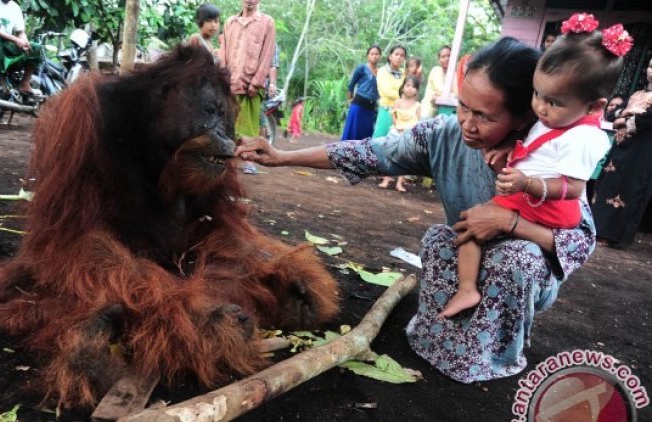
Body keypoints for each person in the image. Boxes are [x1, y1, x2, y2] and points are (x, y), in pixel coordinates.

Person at [236, 37, 596, 384]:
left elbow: (581, 240)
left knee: (517, 258)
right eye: (463, 107)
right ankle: (439, 338)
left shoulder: (552, 154)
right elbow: (370, 152)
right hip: (467, 257)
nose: (467, 124)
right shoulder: (444, 135)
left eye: (485, 116)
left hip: (523, 271)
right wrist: (281, 157)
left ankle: (496, 354)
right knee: (440, 238)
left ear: (521, 117)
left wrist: (510, 221)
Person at [439, 14, 627, 318]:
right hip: (522, 199)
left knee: (503, 249)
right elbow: (533, 146)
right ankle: (467, 289)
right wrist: (507, 148)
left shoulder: (582, 137)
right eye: (536, 94)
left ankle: (479, 302)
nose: (539, 107)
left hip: (544, 208)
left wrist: (527, 184)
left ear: (594, 107)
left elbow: (574, 188)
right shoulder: (552, 117)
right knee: (469, 226)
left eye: (552, 101)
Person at [592, 57, 652, 248]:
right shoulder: (637, 93)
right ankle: (596, 228)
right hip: (621, 145)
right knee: (608, 183)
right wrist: (624, 115)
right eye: (651, 65)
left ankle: (614, 235)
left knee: (630, 188)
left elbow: (646, 121)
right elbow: (617, 110)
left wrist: (626, 119)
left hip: (641, 152)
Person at [219, 0, 275, 139]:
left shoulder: (267, 22)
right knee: (224, 134)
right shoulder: (230, 22)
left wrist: (256, 83)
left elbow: (267, 54)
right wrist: (222, 81)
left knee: (245, 139)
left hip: (250, 90)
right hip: (229, 88)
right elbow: (223, 53)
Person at [0, 0, 42, 96]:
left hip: (7, 43)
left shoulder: (15, 7)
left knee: (35, 47)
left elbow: (21, 32)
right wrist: (14, 39)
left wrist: (24, 41)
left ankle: (25, 84)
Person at [374, 45, 406, 191]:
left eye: (402, 55)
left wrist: (399, 93)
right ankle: (376, 169)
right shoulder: (382, 71)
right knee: (380, 139)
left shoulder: (404, 73)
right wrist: (399, 93)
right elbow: (384, 91)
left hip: (401, 112)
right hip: (386, 109)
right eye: (396, 54)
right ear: (390, 56)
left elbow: (406, 92)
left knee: (396, 143)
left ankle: (388, 173)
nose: (399, 57)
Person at [384, 76, 421, 192]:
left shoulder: (417, 105)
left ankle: (400, 183)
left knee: (404, 158)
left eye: (414, 87)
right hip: (396, 131)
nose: (410, 89)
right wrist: (397, 126)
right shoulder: (397, 102)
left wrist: (411, 132)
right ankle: (386, 179)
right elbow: (393, 115)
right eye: (408, 85)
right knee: (389, 154)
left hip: (409, 134)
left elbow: (418, 122)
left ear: (417, 91)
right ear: (403, 87)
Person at [340, 45, 380, 141]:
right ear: (368, 56)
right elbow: (351, 84)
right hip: (359, 104)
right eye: (372, 54)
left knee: (366, 133)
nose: (374, 56)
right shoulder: (362, 68)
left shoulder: (381, 72)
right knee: (353, 131)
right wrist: (350, 99)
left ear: (380, 56)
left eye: (377, 54)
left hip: (371, 107)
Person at [420, 45, 456, 119]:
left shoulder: (455, 74)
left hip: (446, 111)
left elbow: (457, 93)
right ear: (439, 60)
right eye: (443, 57)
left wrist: (440, 97)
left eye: (449, 56)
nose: (447, 59)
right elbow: (441, 90)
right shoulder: (436, 70)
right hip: (429, 111)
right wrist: (452, 95)